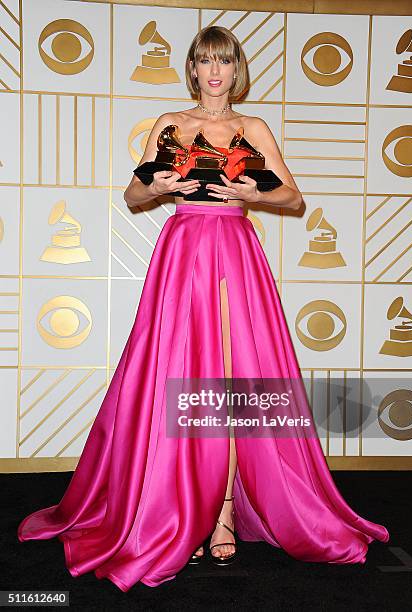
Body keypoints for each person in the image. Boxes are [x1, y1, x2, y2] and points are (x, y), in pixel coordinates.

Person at [17, 26, 389, 592]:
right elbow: (134, 195)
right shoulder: (172, 126)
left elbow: (293, 196)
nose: (215, 71)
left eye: (224, 61)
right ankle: (190, 511)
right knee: (184, 376)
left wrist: (253, 195)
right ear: (192, 69)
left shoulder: (252, 128)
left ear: (236, 70)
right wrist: (158, 185)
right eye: (205, 61)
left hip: (236, 251)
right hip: (184, 250)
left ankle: (225, 515)